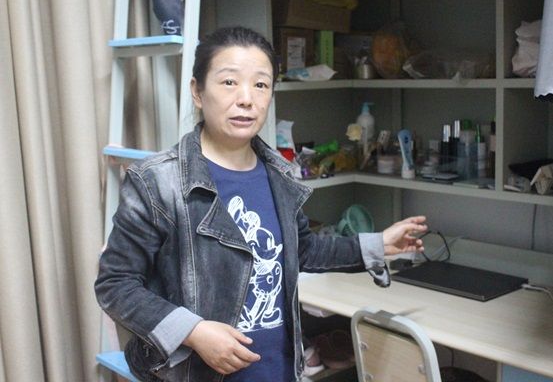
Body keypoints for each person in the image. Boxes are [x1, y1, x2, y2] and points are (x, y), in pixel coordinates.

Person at [95, 26, 427, 382]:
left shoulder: (281, 174)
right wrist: (194, 331)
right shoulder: (157, 181)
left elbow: (304, 250)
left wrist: (378, 244)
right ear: (197, 91)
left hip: (278, 371)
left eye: (260, 84)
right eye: (229, 82)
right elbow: (116, 284)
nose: (246, 99)